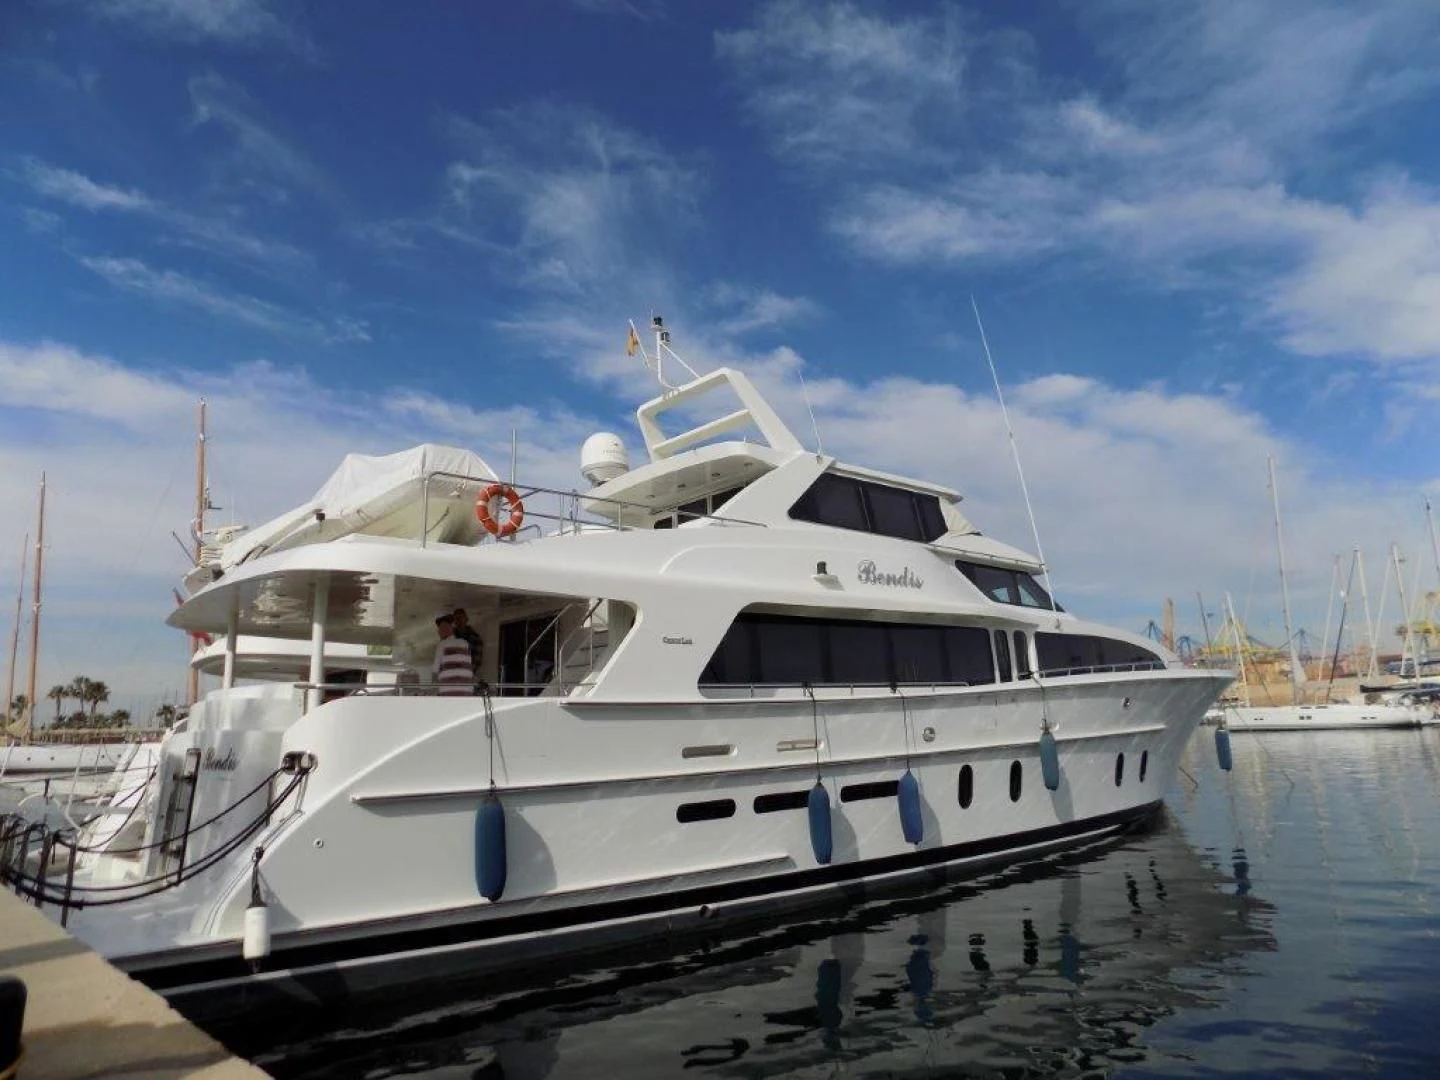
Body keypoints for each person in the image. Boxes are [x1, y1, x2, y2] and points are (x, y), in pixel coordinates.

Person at [431, 613, 474, 696]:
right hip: (467, 691)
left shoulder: (442, 644)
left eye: (441, 628)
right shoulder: (465, 643)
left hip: (448, 691)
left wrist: (433, 691)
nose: (439, 632)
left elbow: (435, 670)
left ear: (449, 628)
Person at [453, 607, 483, 684]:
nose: (459, 621)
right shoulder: (450, 638)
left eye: (461, 618)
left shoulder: (475, 637)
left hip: (467, 678)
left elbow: (476, 661)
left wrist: (465, 675)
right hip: (450, 677)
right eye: (456, 618)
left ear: (466, 619)